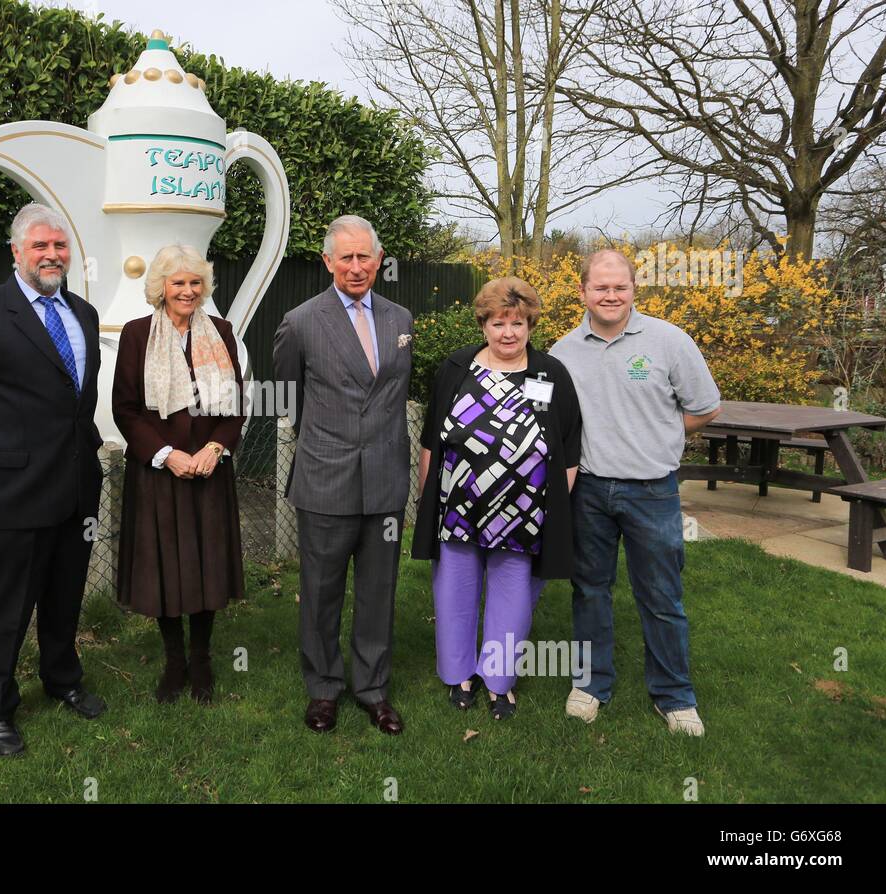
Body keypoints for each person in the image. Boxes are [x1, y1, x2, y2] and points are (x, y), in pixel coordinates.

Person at [0, 203, 106, 758]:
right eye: (40, 246)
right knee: (4, 607)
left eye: (59, 246)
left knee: (64, 596)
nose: (52, 255)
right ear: (16, 252)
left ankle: (62, 678)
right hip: (12, 494)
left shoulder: (83, 312)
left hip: (77, 487)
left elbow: (79, 402)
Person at [549, 249, 721, 736]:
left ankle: (675, 697)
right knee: (590, 592)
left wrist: (664, 433)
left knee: (662, 596)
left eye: (619, 287)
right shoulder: (563, 352)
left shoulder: (669, 342)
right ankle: (590, 685)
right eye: (600, 287)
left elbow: (706, 407)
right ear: (582, 291)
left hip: (652, 492)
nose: (610, 295)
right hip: (588, 492)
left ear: (633, 290)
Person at [411, 278, 581, 719]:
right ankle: (460, 675)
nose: (509, 332)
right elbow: (432, 438)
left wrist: (555, 506)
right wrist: (428, 501)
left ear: (530, 325)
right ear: (484, 324)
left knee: (513, 597)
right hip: (459, 509)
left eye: (518, 323)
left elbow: (568, 443)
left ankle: (499, 683)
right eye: (499, 322)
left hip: (523, 513)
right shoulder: (456, 367)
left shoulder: (550, 374)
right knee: (455, 592)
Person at [273, 215, 414, 735]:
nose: (356, 267)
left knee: (378, 591)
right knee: (321, 591)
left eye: (365, 257)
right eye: (346, 258)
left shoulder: (401, 319)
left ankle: (373, 689)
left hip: (384, 481)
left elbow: (392, 395)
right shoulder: (302, 320)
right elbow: (290, 396)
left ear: (379, 260)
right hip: (325, 478)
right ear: (328, 261)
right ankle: (324, 688)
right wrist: (329, 441)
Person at [112, 244, 246, 704]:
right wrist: (166, 453)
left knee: (208, 565)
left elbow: (236, 406)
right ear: (161, 288)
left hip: (210, 468)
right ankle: (174, 661)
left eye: (195, 283)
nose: (187, 291)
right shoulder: (135, 335)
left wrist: (215, 447)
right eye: (178, 283)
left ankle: (202, 658)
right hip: (159, 470)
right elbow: (125, 410)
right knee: (164, 567)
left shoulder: (222, 332)